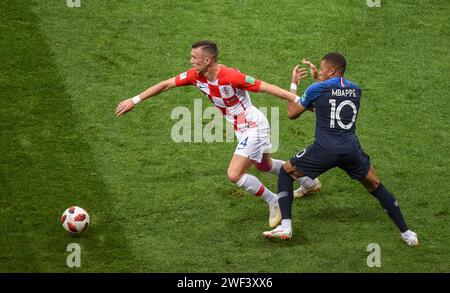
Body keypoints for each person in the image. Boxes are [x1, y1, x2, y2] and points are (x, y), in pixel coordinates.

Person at [115, 40, 320, 228]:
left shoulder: (231, 76)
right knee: (264, 165)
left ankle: (273, 200)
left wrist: (300, 101)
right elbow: (166, 84)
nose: (190, 61)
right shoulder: (195, 76)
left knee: (234, 174)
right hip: (242, 128)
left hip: (254, 126)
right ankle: (308, 181)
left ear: (207, 60)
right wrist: (134, 100)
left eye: (194, 58)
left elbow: (269, 88)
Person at [262, 53, 419, 246]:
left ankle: (286, 226)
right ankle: (407, 233)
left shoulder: (316, 89)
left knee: (286, 173)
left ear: (332, 71)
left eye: (321, 69)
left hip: (325, 150)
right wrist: (319, 80)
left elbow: (292, 113)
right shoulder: (356, 90)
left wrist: (294, 84)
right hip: (351, 150)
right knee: (375, 185)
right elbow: (331, 101)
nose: (318, 72)